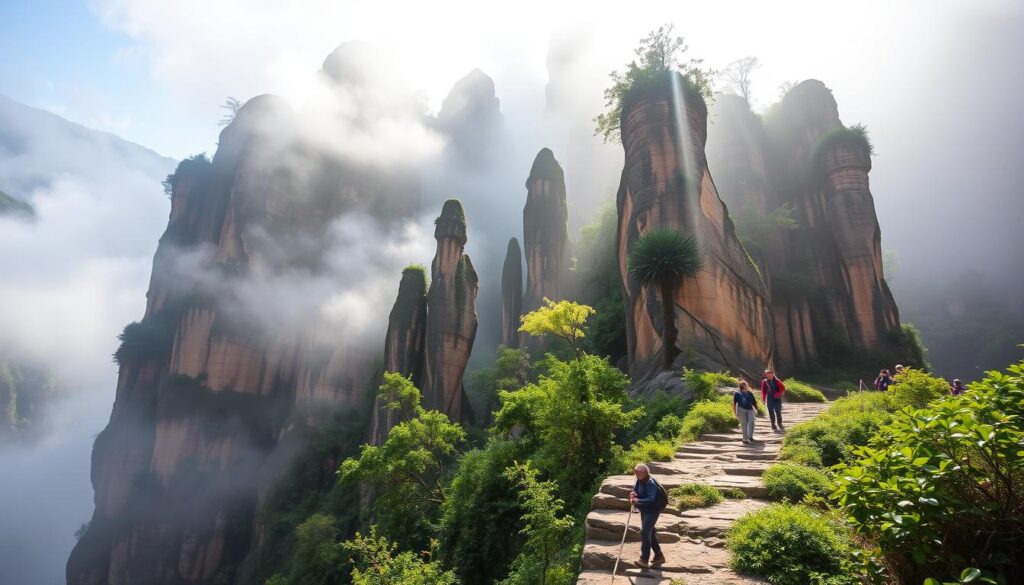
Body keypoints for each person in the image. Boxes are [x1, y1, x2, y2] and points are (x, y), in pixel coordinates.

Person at [629, 464, 665, 567]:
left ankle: (644, 560)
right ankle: (659, 555)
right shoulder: (639, 480)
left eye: (640, 472)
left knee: (645, 532)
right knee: (650, 533)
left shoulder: (651, 483)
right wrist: (633, 495)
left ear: (646, 472)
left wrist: (638, 500)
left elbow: (651, 498)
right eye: (636, 472)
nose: (638, 474)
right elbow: (636, 491)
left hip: (653, 510)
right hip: (644, 510)